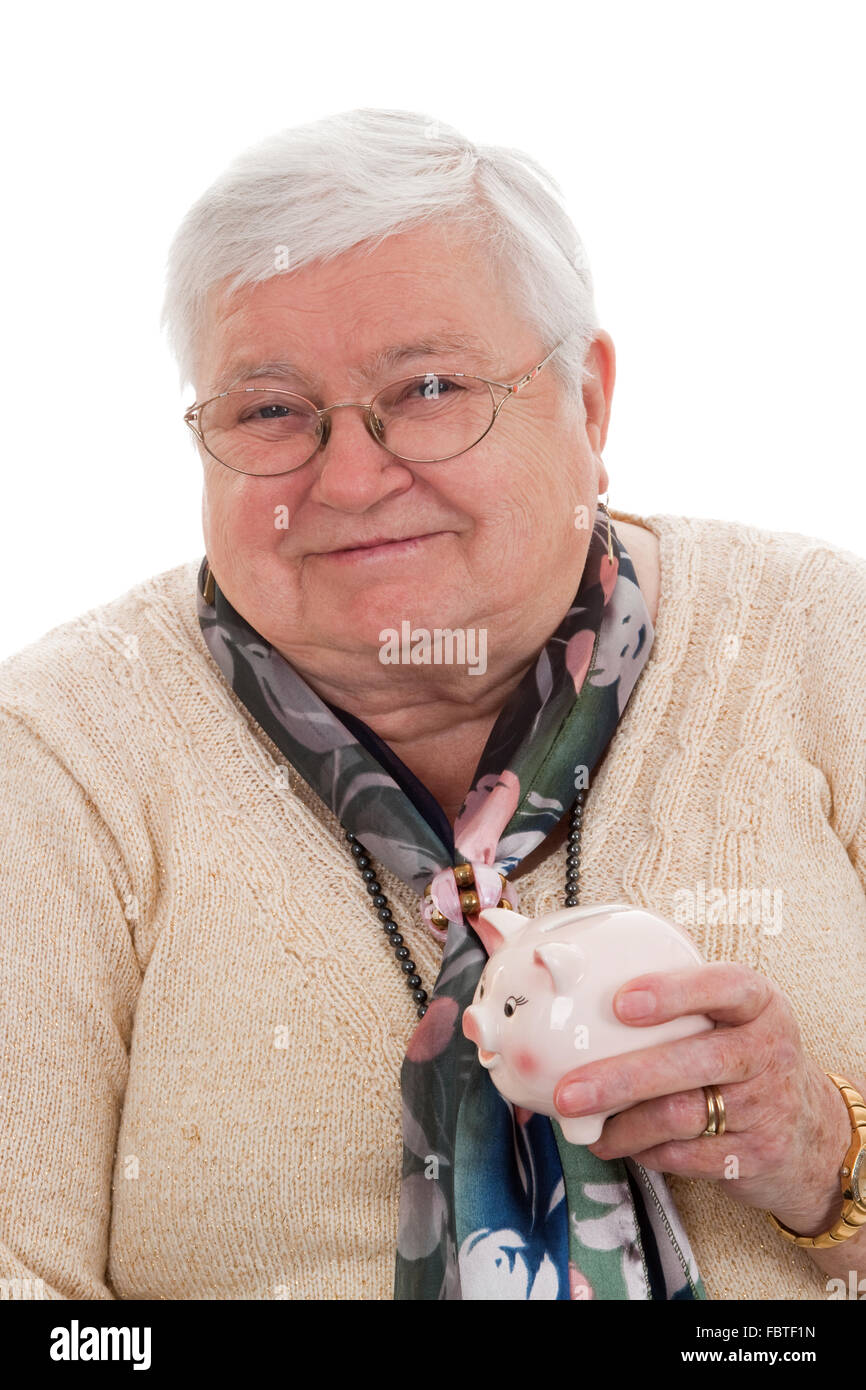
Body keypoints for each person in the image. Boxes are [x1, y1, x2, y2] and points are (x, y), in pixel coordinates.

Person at [0, 108, 863, 1302]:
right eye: (268, 411)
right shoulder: (56, 754)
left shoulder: (821, 644)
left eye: (429, 386)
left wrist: (831, 1161)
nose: (350, 477)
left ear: (589, 403)